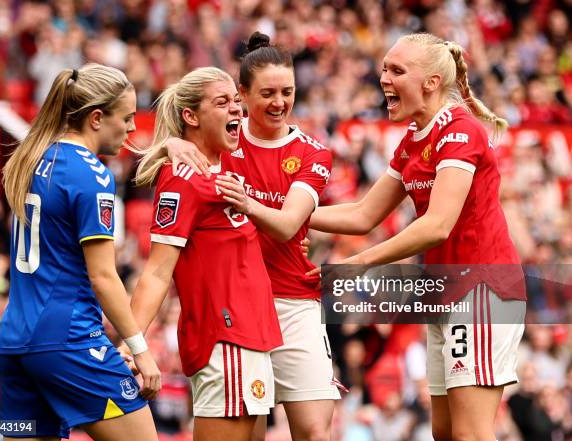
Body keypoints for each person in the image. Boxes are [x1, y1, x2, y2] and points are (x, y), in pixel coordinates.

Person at [306, 33, 526, 441]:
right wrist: (289, 218)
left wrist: (359, 263)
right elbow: (363, 213)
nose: (383, 78)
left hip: (482, 290)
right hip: (448, 293)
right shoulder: (412, 140)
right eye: (384, 69)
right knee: (444, 432)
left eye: (396, 70)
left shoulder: (459, 131)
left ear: (430, 82)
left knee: (471, 435)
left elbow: (437, 224)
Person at [165, 32, 342, 441]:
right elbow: (171, 147)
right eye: (267, 93)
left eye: (288, 92)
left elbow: (286, 224)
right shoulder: (223, 137)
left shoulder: (314, 152)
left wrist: (249, 204)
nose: (279, 102)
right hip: (238, 307)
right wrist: (170, 144)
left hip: (294, 301)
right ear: (242, 93)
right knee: (250, 434)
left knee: (316, 433)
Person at [0, 63, 160, 441]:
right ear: (97, 118)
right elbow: (102, 276)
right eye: (128, 118)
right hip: (67, 340)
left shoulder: (32, 159)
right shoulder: (92, 174)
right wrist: (140, 350)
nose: (133, 129)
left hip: (15, 342)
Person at [129, 66, 283, 441]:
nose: (237, 110)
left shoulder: (226, 166)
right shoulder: (184, 179)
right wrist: (133, 343)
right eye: (223, 102)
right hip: (226, 340)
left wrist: (167, 142)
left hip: (254, 339)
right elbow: (156, 271)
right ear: (191, 116)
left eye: (236, 101)